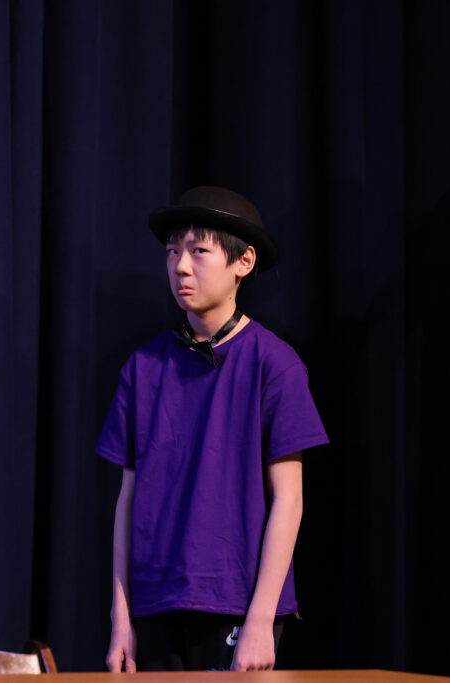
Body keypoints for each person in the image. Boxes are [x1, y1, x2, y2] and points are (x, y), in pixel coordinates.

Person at [98, 187, 328, 672]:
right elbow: (127, 500)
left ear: (243, 261)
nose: (181, 267)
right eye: (172, 252)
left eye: (199, 251)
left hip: (236, 602)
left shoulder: (273, 363)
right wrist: (121, 617)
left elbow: (289, 499)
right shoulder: (143, 366)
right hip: (156, 604)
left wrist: (260, 620)